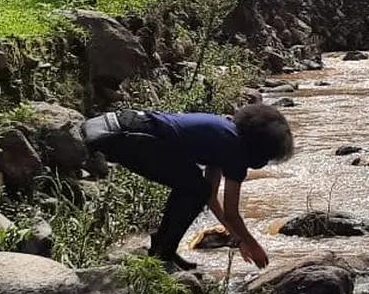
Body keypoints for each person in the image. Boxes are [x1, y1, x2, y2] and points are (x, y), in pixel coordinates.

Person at [79, 103, 294, 272]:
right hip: (127, 135)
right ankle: (162, 255)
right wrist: (253, 245)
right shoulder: (235, 149)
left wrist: (239, 240)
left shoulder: (226, 135)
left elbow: (210, 197)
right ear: (259, 148)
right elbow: (231, 211)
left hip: (118, 125)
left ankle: (165, 251)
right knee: (194, 188)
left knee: (196, 188)